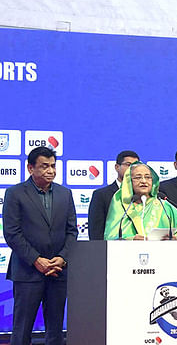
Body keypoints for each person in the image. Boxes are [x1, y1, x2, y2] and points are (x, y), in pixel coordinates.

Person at [3, 146, 77, 345]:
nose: (50, 170)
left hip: (58, 271)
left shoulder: (65, 193)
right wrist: (36, 260)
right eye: (44, 166)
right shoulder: (15, 193)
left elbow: (72, 232)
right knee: (22, 329)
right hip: (28, 272)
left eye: (53, 166)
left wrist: (62, 258)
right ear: (30, 168)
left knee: (55, 330)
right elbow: (12, 232)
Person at [103, 162, 177, 240]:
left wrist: (176, 238)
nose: (143, 181)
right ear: (129, 182)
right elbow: (111, 237)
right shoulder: (121, 206)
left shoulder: (164, 206)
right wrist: (131, 240)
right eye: (138, 177)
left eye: (148, 177)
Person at [87, 150, 138, 240]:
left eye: (136, 166)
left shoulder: (142, 195)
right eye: (128, 165)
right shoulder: (101, 195)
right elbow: (95, 231)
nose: (132, 169)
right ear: (117, 167)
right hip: (110, 250)